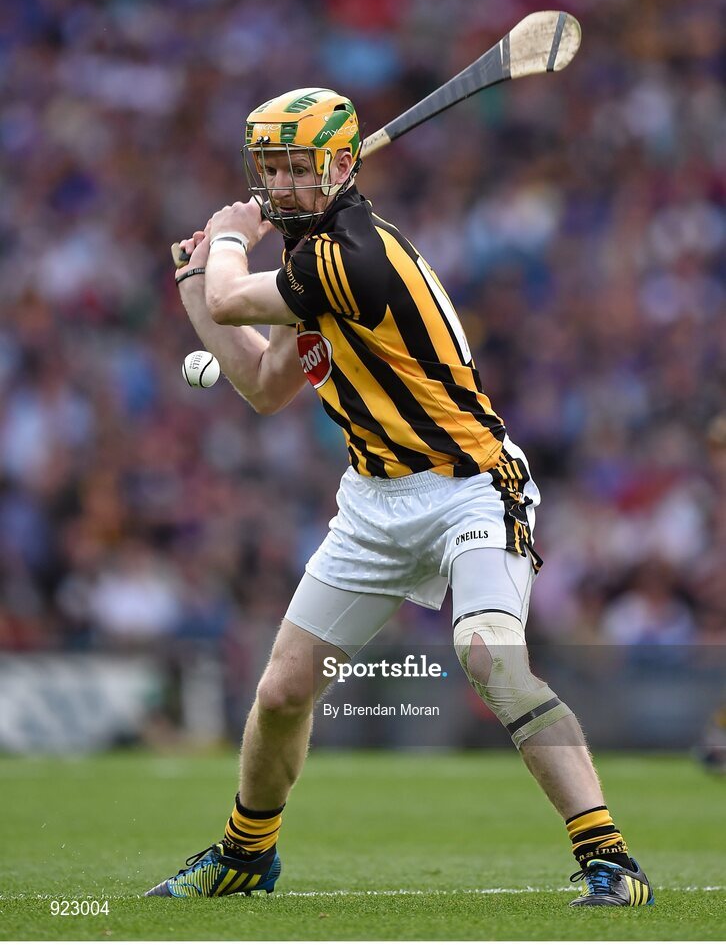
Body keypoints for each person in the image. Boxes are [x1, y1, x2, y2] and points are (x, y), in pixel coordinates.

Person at [146, 87, 653, 907]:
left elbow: (233, 298)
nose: (278, 183)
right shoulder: (313, 260)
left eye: (297, 167)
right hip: (372, 502)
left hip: (470, 487)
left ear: (343, 166)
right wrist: (194, 285)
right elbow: (265, 385)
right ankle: (246, 855)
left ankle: (611, 861)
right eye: (269, 167)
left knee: (490, 656)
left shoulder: (350, 257)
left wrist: (229, 243)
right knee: (282, 691)